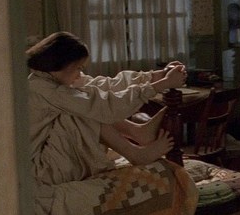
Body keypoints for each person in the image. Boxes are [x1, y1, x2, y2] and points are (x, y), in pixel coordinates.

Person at [27, 31, 187, 186]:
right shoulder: (45, 89)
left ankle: (137, 132)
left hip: (50, 159)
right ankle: (134, 153)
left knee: (88, 100)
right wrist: (160, 86)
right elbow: (102, 106)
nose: (79, 74)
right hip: (42, 171)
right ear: (62, 64)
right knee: (87, 107)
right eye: (78, 68)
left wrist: (157, 76)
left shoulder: (50, 79)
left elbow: (103, 85)